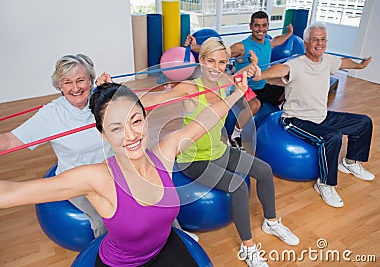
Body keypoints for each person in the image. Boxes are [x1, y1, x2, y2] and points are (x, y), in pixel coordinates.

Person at [0, 77, 251, 266]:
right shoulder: (97, 178)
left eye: (136, 121)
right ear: (104, 135)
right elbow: (13, 191)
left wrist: (237, 94)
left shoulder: (164, 154)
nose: (131, 135)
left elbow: (204, 121)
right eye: (116, 128)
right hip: (123, 264)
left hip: (166, 247)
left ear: (145, 120)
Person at [98, 37, 299, 267]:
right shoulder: (190, 88)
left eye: (222, 62)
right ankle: (248, 248)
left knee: (264, 170)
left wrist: (251, 69)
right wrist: (114, 89)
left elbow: (237, 78)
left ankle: (271, 222)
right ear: (201, 61)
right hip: (193, 158)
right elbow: (153, 98)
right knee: (238, 186)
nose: (216, 67)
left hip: (219, 150)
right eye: (210, 61)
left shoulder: (224, 83)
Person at [0, 54, 111, 237]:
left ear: (91, 80)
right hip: (77, 180)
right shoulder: (51, 114)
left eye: (80, 80)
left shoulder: (104, 98)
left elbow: (139, 104)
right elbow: (10, 139)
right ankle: (108, 256)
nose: (75, 88)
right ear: (59, 85)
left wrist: (115, 91)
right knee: (105, 217)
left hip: (111, 170)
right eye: (67, 82)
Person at [253, 22, 374, 208]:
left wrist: (360, 66)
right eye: (315, 39)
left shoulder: (327, 60)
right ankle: (324, 184)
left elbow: (342, 62)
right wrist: (261, 75)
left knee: (363, 122)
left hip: (320, 115)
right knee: (333, 137)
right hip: (294, 119)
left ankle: (349, 162)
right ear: (306, 42)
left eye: (323, 39)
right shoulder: (296, 64)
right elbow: (282, 69)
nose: (320, 43)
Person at [184, 11, 294, 150]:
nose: (260, 29)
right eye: (257, 26)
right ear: (250, 26)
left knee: (286, 91)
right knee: (255, 105)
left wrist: (289, 34)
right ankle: (234, 136)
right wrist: (195, 47)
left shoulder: (267, 42)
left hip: (261, 85)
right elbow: (220, 51)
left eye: (264, 25)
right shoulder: (242, 46)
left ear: (268, 26)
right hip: (245, 86)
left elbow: (278, 40)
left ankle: (284, 119)